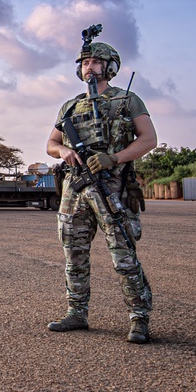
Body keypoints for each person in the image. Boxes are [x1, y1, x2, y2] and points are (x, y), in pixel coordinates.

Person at [45, 40, 157, 344]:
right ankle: (77, 312)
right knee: (74, 253)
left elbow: (148, 140)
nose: (89, 67)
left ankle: (139, 318)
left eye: (95, 62)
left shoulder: (127, 100)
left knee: (123, 254)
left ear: (110, 67)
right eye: (84, 63)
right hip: (76, 190)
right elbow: (51, 144)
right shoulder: (70, 106)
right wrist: (64, 151)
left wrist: (115, 157)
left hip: (113, 188)